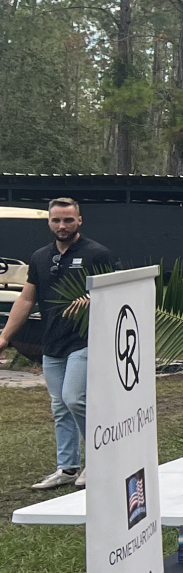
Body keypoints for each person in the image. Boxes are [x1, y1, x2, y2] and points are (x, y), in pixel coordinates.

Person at [0, 198, 115, 491]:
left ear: (80, 221)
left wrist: (93, 299)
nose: (62, 226)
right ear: (49, 222)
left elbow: (117, 293)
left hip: (85, 340)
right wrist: (4, 337)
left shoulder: (97, 254)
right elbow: (27, 299)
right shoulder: (40, 256)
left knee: (74, 398)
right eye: (56, 220)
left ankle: (101, 460)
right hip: (52, 342)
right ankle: (67, 467)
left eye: (68, 220)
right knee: (59, 405)